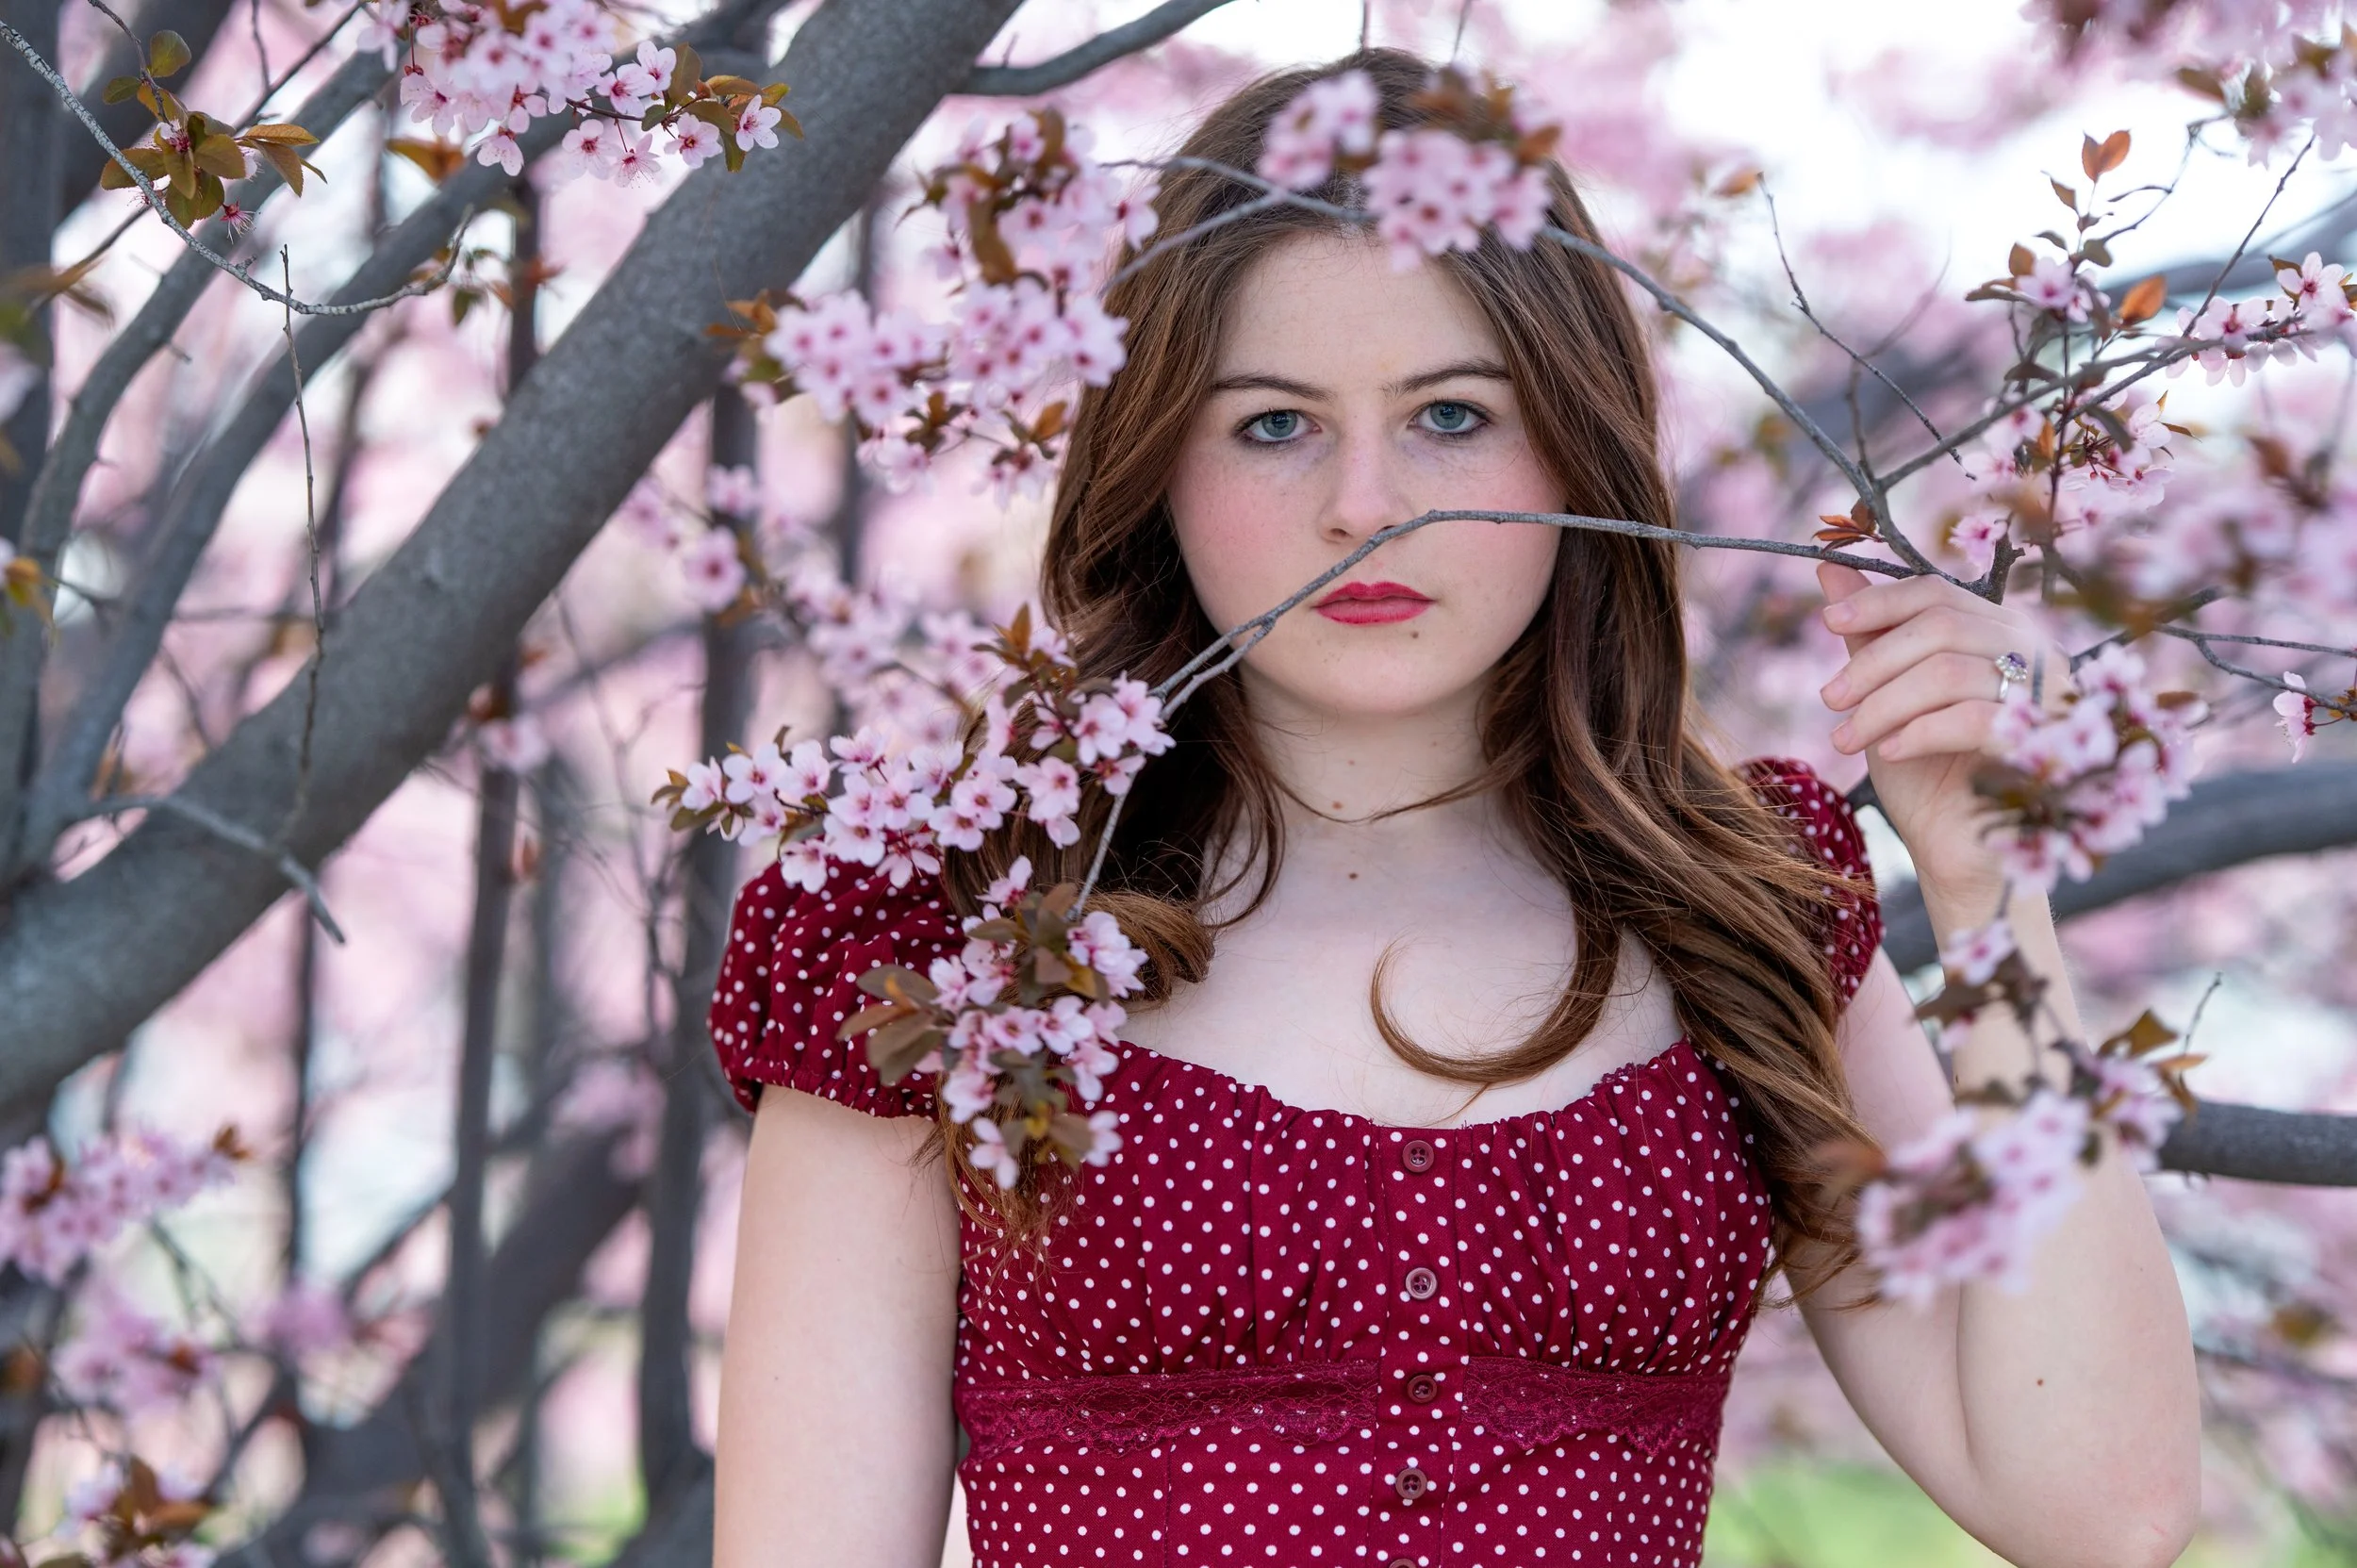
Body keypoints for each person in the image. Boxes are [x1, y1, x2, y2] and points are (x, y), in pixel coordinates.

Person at [708, 49, 2200, 1568]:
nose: (1370, 502)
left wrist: (1988, 882)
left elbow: (2103, 1511)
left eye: (1451, 415)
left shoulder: (1746, 915)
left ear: (1574, 439)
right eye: (1274, 424)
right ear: (1157, 463)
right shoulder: (940, 934)